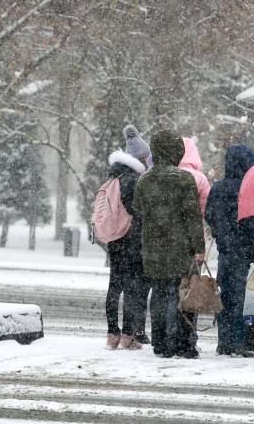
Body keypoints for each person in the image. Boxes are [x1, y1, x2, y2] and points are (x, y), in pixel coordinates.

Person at [133, 129, 205, 359]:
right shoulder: (184, 179)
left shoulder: (144, 180)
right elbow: (193, 217)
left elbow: (139, 210)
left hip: (153, 248)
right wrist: (199, 248)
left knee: (160, 294)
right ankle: (183, 343)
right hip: (180, 248)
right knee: (183, 294)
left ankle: (161, 342)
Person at [205, 144, 254, 358]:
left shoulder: (218, 188)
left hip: (226, 251)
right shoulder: (248, 188)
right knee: (240, 298)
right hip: (244, 252)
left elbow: (209, 214)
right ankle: (238, 342)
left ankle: (224, 341)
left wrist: (220, 233)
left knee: (225, 296)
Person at [104, 125, 151, 350]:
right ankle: (128, 336)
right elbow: (138, 211)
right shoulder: (135, 180)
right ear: (138, 158)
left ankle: (111, 334)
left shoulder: (114, 178)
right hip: (132, 241)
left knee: (114, 287)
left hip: (114, 240)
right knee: (133, 289)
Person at [178, 137, 211, 350]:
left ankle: (168, 336)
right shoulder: (199, 179)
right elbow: (206, 212)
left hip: (170, 243)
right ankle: (188, 338)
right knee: (191, 292)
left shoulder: (170, 176)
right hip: (193, 243)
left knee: (172, 290)